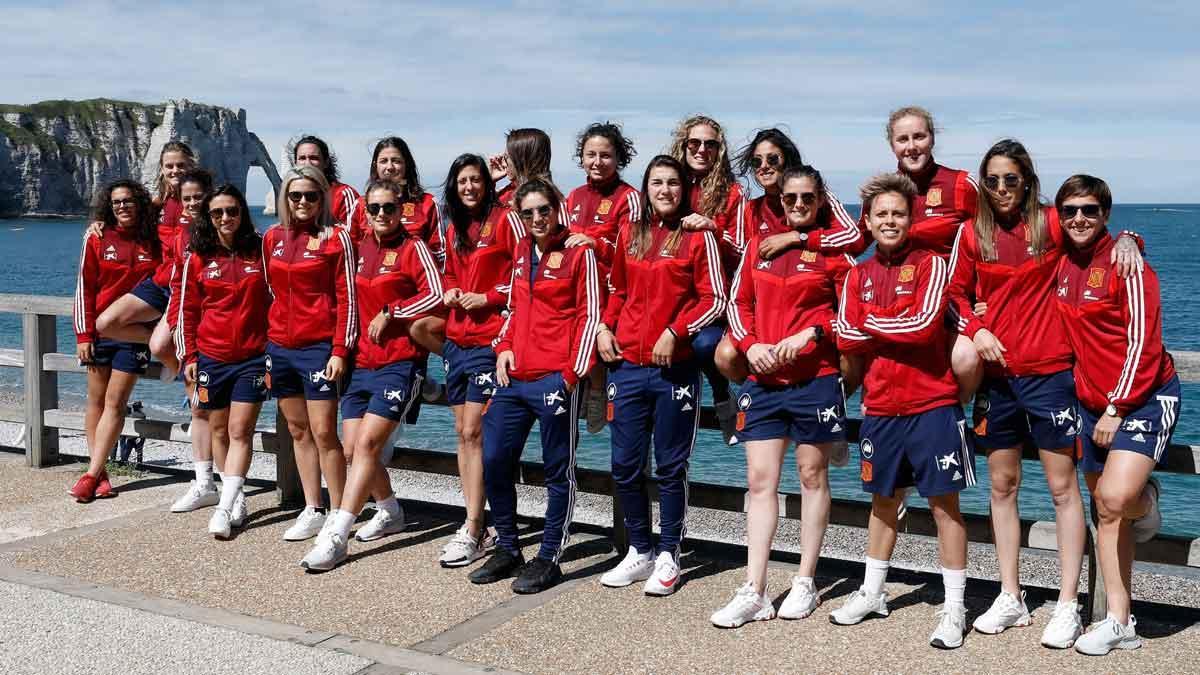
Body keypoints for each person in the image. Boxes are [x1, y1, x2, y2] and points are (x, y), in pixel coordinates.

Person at [948, 141, 1143, 647]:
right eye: (992, 180)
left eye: (1011, 179)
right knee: (1001, 486)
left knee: (1062, 489)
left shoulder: (1053, 222)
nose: (1002, 189)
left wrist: (1130, 238)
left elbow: (1095, 235)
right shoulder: (973, 233)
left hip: (1052, 374)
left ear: (1027, 180)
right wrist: (975, 328)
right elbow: (954, 295)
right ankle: (1010, 595)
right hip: (998, 379)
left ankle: (1068, 604)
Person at [831, 173, 974, 650]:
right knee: (883, 502)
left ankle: (955, 607)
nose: (889, 221)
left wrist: (870, 325)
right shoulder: (857, 274)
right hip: (880, 406)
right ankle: (872, 590)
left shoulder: (933, 264)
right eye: (881, 215)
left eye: (898, 213)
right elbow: (845, 337)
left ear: (911, 219)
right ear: (867, 223)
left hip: (932, 403)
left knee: (944, 506)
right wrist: (879, 327)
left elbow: (922, 325)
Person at [711, 165, 855, 627]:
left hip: (817, 380)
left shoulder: (833, 252)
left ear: (820, 201)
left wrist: (813, 332)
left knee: (812, 475)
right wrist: (751, 345)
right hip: (765, 383)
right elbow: (739, 304)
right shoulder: (758, 245)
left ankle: (806, 580)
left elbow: (852, 316)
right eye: (790, 198)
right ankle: (755, 589)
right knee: (759, 481)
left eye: (807, 199)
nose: (797, 206)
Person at [1052, 175, 1180, 656]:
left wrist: (1116, 407)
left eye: (1089, 209)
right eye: (1070, 211)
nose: (1079, 218)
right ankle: (1119, 621)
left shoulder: (1132, 268)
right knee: (1106, 510)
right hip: (1088, 404)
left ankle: (1146, 499)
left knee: (1116, 496)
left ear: (1106, 214)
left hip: (1145, 398)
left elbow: (1144, 346)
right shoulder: (1063, 264)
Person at [595, 155, 725, 596]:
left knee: (670, 466)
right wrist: (604, 327)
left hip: (675, 369)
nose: (665, 190)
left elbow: (714, 299)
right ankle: (639, 550)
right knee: (624, 465)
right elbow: (617, 290)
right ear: (646, 189)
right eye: (656, 182)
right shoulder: (629, 233)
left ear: (682, 189)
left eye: (672, 182)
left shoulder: (696, 238)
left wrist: (677, 331)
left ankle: (669, 554)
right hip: (628, 366)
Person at [299, 179, 445, 571]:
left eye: (389, 208)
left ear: (401, 210)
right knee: (351, 450)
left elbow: (436, 293)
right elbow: (342, 300)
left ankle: (337, 534)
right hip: (362, 363)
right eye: (375, 208)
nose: (382, 214)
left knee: (365, 448)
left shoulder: (414, 248)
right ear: (364, 212)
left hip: (401, 364)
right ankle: (391, 510)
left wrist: (392, 311)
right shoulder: (356, 248)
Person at [470, 178, 600, 594]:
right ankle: (508, 546)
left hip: (554, 378)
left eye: (544, 209)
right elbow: (513, 307)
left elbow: (589, 317)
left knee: (556, 470)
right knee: (493, 459)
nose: (538, 219)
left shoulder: (580, 253)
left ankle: (549, 556)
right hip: (514, 376)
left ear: (557, 207)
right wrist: (504, 347)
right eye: (528, 213)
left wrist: (569, 377)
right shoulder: (522, 249)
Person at [712, 129, 861, 399]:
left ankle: (835, 401)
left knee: (851, 343)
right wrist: (711, 233)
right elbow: (743, 254)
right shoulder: (752, 209)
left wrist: (796, 237)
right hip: (768, 302)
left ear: (787, 160)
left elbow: (853, 235)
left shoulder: (812, 195)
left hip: (814, 293)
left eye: (772, 159)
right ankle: (763, 391)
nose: (764, 166)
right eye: (757, 161)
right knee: (724, 355)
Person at [261, 166, 356, 541]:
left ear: (323, 198)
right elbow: (269, 288)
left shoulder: (336, 238)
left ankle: (338, 510)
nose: (303, 203)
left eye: (311, 196)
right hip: (280, 348)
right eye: (295, 196)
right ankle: (312, 507)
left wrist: (339, 350)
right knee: (299, 431)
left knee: (324, 433)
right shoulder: (272, 238)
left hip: (319, 349)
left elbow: (347, 297)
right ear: (285, 199)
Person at [439, 154, 523, 567]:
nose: (469, 187)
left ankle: (475, 525)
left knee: (475, 431)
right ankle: (474, 521)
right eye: (462, 181)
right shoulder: (455, 228)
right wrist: (452, 291)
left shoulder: (505, 220)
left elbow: (522, 273)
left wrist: (489, 297)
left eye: (475, 180)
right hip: (457, 339)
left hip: (490, 341)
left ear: (486, 183)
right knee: (462, 432)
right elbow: (449, 272)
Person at [175, 184, 268, 538]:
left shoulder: (260, 250)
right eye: (217, 213)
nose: (226, 218)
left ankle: (224, 508)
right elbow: (188, 309)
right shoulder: (198, 256)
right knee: (217, 429)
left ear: (242, 212)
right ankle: (237, 495)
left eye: (232, 210)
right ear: (208, 217)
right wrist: (191, 356)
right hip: (211, 358)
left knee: (240, 430)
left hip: (254, 358)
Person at [70, 180, 161, 501]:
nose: (122, 206)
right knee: (95, 402)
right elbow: (85, 287)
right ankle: (101, 473)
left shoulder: (154, 239)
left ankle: (92, 473)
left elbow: (173, 202)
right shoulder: (97, 239)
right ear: (109, 207)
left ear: (139, 203)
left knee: (115, 402)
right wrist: (83, 334)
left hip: (132, 336)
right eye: (116, 202)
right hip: (98, 334)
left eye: (128, 201)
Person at [666, 115, 745, 444]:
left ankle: (723, 394)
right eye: (694, 143)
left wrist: (714, 228)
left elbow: (743, 248)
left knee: (704, 344)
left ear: (720, 150)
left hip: (712, 293)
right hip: (671, 291)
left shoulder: (732, 192)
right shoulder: (670, 185)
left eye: (710, 144)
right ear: (683, 146)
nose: (701, 150)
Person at [93, 142, 196, 379]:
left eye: (181, 165)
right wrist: (100, 223)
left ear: (190, 165)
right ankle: (175, 354)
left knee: (159, 347)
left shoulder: (197, 202)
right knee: (106, 324)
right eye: (169, 165)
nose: (175, 170)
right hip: (160, 283)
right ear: (161, 168)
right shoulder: (157, 204)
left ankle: (185, 375)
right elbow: (124, 216)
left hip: (184, 288)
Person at [565, 122, 640, 433]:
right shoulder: (573, 196)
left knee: (592, 325)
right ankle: (584, 386)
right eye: (590, 154)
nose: (597, 161)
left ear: (618, 158)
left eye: (605, 155)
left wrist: (595, 243)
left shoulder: (629, 197)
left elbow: (633, 249)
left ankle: (597, 391)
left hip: (609, 289)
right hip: (573, 287)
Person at [163, 168, 222, 513]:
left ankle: (231, 490)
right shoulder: (182, 239)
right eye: (186, 198)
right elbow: (178, 290)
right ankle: (204, 483)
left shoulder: (237, 236)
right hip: (195, 337)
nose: (192, 203)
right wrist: (178, 331)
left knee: (226, 419)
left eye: (198, 196)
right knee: (201, 409)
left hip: (229, 343)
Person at [292, 135, 360, 226]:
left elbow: (351, 236)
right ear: (295, 163)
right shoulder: (291, 195)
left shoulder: (343, 195)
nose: (307, 163)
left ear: (326, 163)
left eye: (314, 158)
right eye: (302, 158)